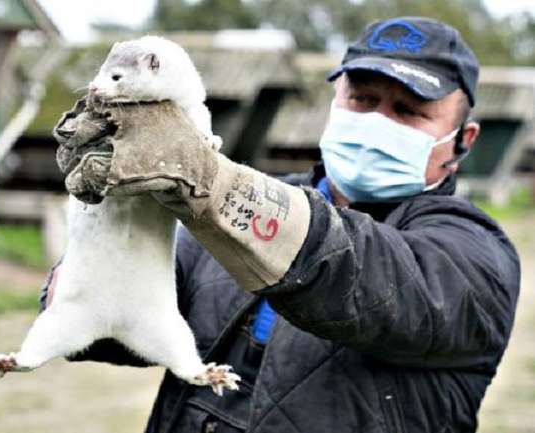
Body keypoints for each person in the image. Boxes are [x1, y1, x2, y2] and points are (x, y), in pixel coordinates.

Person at [46, 16, 521, 432]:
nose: (378, 121)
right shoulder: (236, 206)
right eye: (363, 98)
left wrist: (212, 184)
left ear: (464, 141)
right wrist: (108, 223)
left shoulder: (476, 256)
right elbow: (118, 328)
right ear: (335, 101)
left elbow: (360, 272)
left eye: (408, 111)